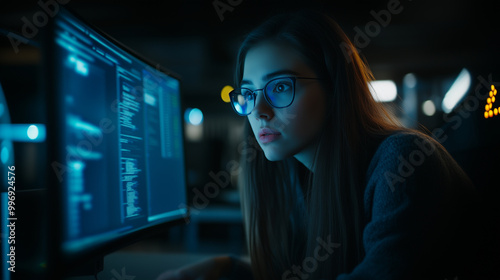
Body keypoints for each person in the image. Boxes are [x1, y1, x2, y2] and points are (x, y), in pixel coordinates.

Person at [157, 9, 492, 280]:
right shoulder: (299, 177)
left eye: (280, 87)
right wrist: (230, 270)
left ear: (334, 88)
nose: (258, 111)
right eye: (248, 93)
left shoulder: (403, 162)